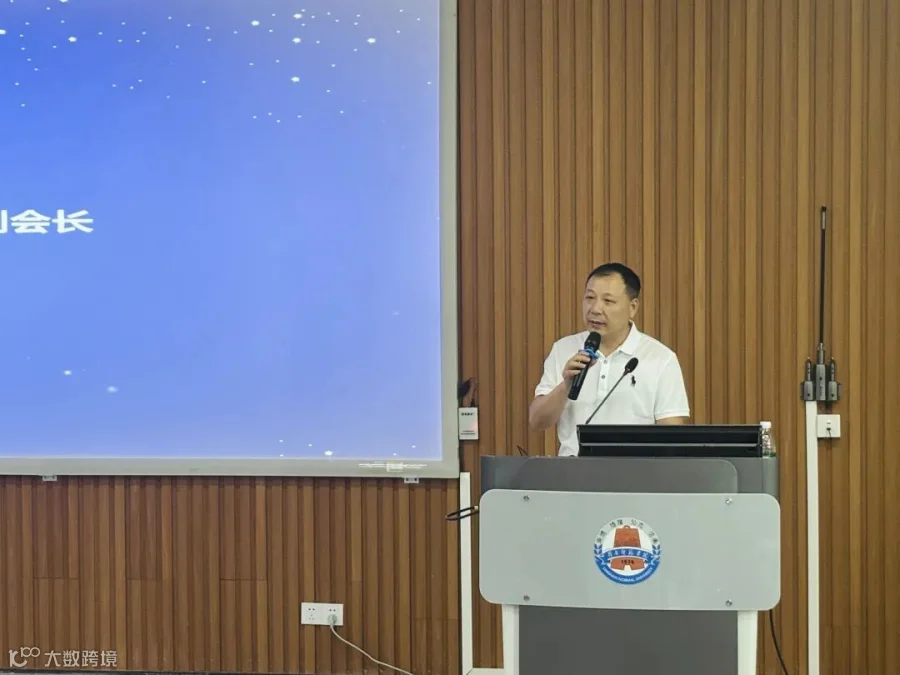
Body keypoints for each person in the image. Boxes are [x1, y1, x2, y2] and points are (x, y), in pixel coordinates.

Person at [529, 262, 690, 456]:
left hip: (635, 472)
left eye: (608, 301)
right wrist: (565, 386)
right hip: (573, 471)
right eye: (590, 298)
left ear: (632, 307)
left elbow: (671, 438)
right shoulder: (563, 349)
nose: (595, 309)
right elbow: (537, 421)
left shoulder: (660, 358)